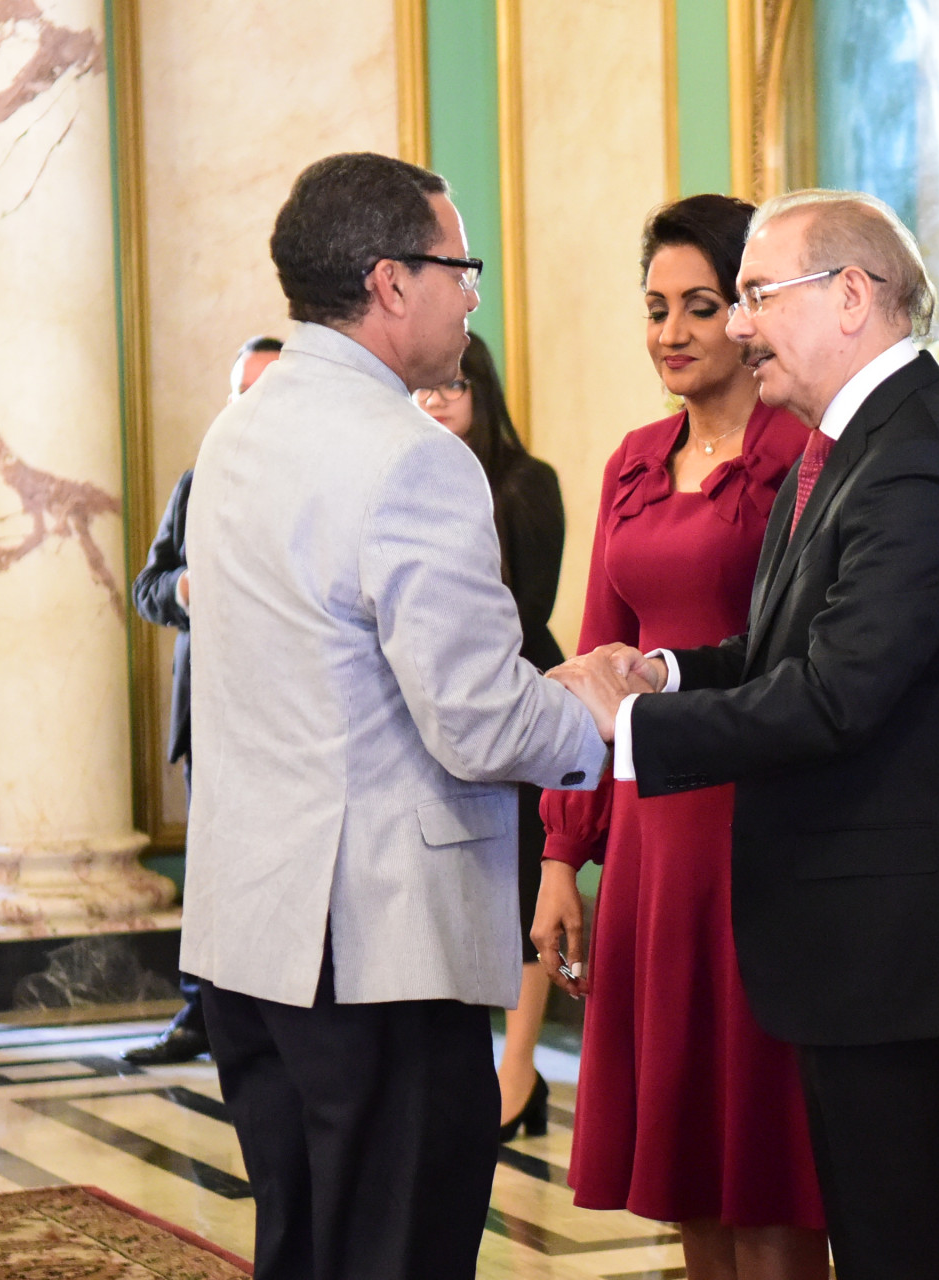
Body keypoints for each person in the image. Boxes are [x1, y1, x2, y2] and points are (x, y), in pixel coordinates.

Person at [546, 190, 939, 1279]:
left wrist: (637, 725)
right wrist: (663, 670)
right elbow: (781, 650)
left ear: (851, 295)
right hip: (862, 950)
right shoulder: (858, 444)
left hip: (902, 953)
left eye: (758, 296)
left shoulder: (915, 459)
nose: (739, 325)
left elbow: (832, 697)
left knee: (923, 1253)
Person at [180, 152, 612, 1280]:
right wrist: (597, 715)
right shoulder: (413, 456)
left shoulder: (238, 432)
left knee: (304, 1246)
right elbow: (478, 723)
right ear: (389, 281)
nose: (471, 294)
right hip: (377, 946)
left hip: (250, 931)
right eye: (459, 267)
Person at [533, 194, 826, 1279]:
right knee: (686, 1154)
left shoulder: (804, 456)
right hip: (652, 841)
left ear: (750, 311)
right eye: (656, 308)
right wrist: (562, 855)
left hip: (761, 832)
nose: (673, 331)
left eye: (701, 306)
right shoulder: (633, 459)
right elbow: (596, 659)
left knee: (767, 1155)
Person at [413, 331, 565, 1141]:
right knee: (461, 892)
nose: (436, 401)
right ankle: (477, 1071)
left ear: (482, 393)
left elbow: (527, 608)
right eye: (426, 389)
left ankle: (519, 1070)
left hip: (516, 694)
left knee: (521, 890)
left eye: (453, 387)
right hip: (434, 704)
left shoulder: (524, 482)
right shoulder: (410, 476)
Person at [124, 334, 282, 1068]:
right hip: (209, 720)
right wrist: (185, 588)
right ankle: (202, 1013)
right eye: (243, 393)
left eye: (268, 392)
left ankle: (273, 1019)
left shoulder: (319, 481)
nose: (253, 407)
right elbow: (147, 588)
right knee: (212, 877)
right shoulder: (196, 483)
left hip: (286, 720)